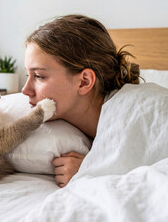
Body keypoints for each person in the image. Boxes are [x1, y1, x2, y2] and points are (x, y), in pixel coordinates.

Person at [21, 14, 140, 188]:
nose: (25, 90)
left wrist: (91, 170)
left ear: (84, 81)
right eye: (27, 75)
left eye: (39, 76)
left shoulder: (137, 115)